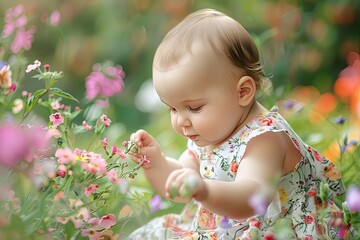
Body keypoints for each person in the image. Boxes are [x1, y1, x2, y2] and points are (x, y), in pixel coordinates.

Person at [127, 8, 346, 239]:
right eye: (172, 108)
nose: (180, 120)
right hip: (228, 226)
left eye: (194, 107)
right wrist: (155, 162)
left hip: (277, 229)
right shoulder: (209, 134)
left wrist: (204, 189)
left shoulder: (264, 138)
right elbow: (181, 185)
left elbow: (251, 197)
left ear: (243, 91)